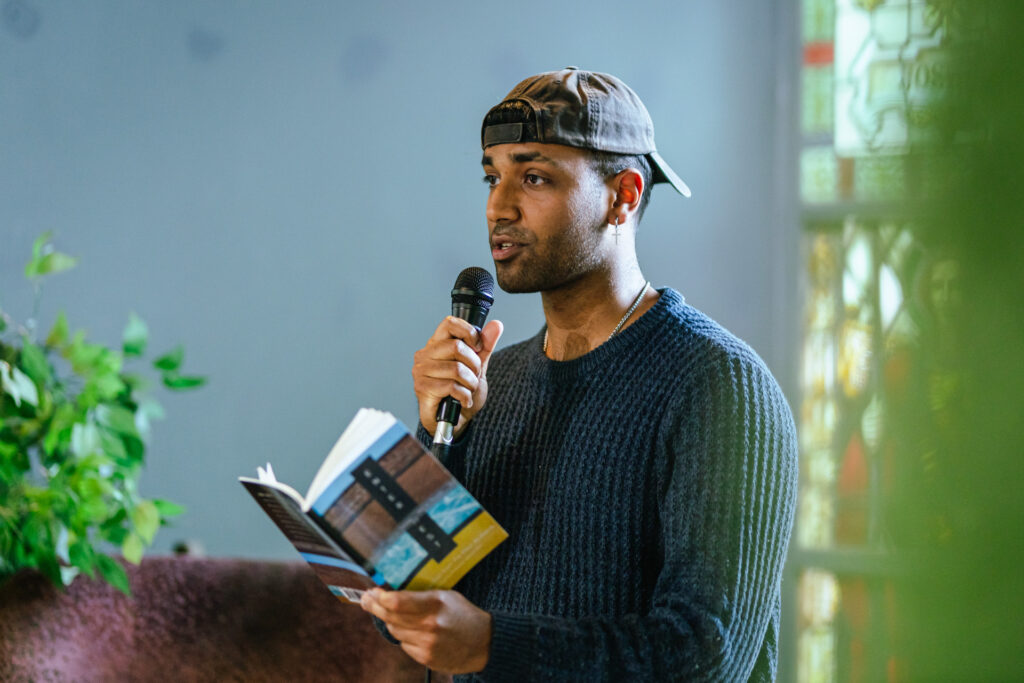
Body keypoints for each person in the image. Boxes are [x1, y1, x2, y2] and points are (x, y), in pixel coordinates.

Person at [361, 67, 798, 682]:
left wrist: (492, 644)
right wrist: (439, 434)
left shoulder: (720, 387)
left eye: (534, 177)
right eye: (492, 176)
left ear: (623, 196)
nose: (498, 207)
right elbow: (400, 611)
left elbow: (705, 653)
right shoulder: (490, 384)